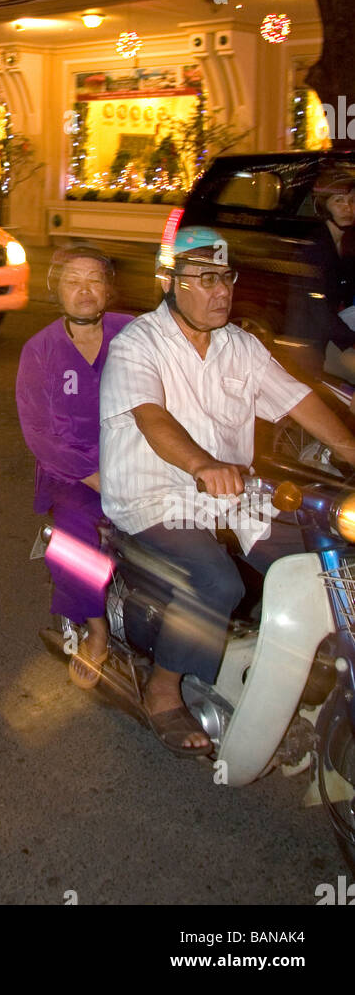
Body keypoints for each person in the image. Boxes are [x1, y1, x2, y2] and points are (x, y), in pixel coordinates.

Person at [99, 226, 355, 757]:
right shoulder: (137, 344)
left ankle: (298, 660)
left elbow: (297, 400)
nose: (221, 290)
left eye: (227, 278)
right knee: (214, 580)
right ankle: (163, 693)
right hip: (155, 495)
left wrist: (352, 451)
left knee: (321, 556)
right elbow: (151, 417)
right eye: (205, 279)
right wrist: (202, 464)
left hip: (232, 496)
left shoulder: (241, 345)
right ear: (171, 283)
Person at [16, 246, 133, 687]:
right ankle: (97, 631)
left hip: (135, 461)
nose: (85, 290)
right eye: (72, 281)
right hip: (73, 474)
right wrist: (96, 477)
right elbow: (39, 434)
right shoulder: (40, 350)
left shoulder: (133, 333)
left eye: (94, 280)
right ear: (57, 291)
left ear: (108, 289)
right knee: (76, 536)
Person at [289, 165, 355, 380]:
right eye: (339, 201)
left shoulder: (345, 243)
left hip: (332, 333)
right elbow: (319, 312)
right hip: (314, 345)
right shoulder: (315, 248)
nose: (348, 208)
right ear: (324, 205)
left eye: (352, 201)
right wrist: (351, 340)